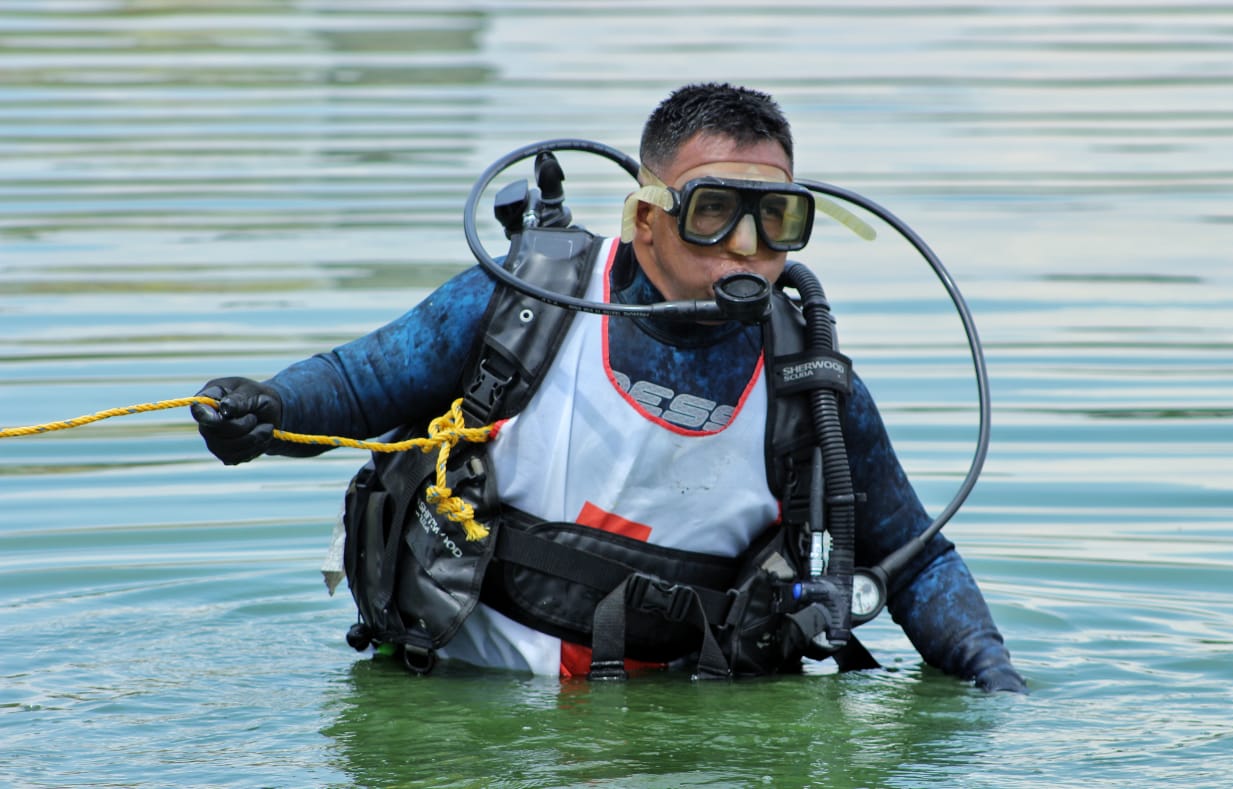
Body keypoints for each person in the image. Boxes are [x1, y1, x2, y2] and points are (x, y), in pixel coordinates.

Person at [191, 83, 1027, 693]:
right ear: (646, 218)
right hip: (461, 714)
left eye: (775, 220)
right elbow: (360, 382)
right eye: (714, 212)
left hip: (686, 737)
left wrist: (996, 678)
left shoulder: (810, 387)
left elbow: (915, 560)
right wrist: (266, 407)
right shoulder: (523, 305)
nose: (745, 248)